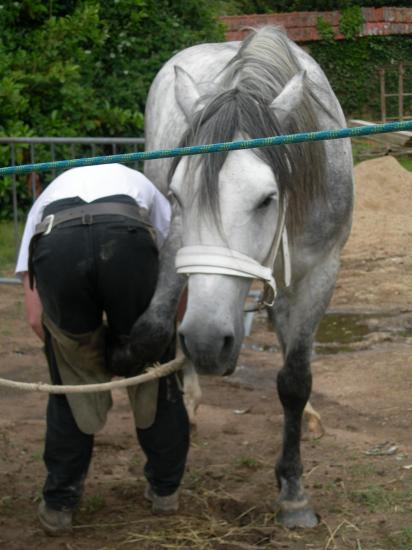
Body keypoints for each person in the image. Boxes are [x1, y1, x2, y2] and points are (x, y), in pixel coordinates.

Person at [15, 163, 190, 536]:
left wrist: (80, 359)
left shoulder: (45, 201)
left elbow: (34, 317)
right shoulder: (140, 185)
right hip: (127, 238)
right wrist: (160, 336)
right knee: (154, 378)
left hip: (57, 244)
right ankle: (165, 492)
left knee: (71, 389)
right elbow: (175, 261)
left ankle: (60, 504)